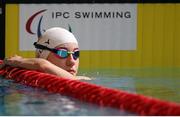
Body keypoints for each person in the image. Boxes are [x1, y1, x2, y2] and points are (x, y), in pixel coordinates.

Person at [0, 27, 90, 80]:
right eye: (62, 53)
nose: (72, 61)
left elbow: (42, 65)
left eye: (76, 54)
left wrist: (21, 61)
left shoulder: (85, 81)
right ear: (43, 55)